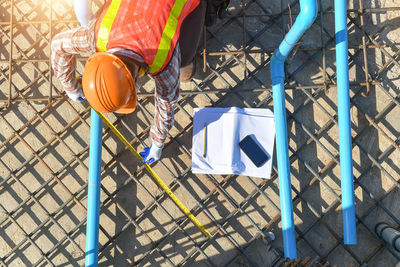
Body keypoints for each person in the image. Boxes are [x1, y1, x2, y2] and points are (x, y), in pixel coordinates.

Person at [51, 0, 228, 163]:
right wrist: (72, 88)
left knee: (184, 65)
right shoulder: (99, 34)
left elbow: (167, 102)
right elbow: (58, 44)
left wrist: (158, 144)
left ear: (137, 79)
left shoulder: (162, 56)